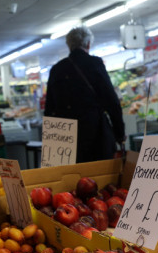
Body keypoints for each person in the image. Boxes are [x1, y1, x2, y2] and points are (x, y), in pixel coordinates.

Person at [45, 27, 125, 163]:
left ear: (69, 45)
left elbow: (49, 109)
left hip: (64, 137)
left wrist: (53, 146)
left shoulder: (56, 69)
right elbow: (112, 102)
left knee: (67, 180)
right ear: (88, 44)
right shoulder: (95, 64)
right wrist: (119, 134)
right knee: (97, 179)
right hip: (93, 135)